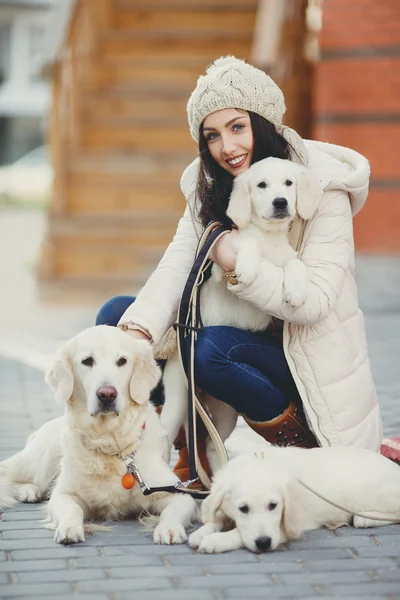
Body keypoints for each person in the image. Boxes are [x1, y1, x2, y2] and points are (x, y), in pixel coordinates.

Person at [96, 56, 383, 467]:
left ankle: (294, 433)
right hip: (233, 324)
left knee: (208, 350)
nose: (226, 147)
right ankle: (165, 445)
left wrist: (234, 261)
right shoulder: (211, 187)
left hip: (301, 357)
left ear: (262, 123)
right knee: (116, 318)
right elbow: (177, 265)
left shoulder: (321, 187)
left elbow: (315, 303)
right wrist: (138, 335)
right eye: (212, 136)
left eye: (237, 127)